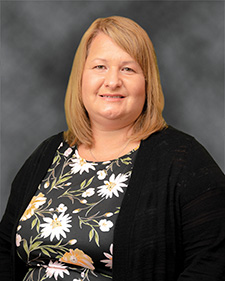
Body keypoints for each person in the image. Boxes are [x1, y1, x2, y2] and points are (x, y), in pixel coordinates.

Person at [0, 16, 225, 281]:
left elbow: (214, 261)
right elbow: (5, 248)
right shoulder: (50, 153)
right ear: (81, 79)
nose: (112, 81)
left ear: (147, 83)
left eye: (128, 69)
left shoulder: (183, 159)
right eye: (99, 66)